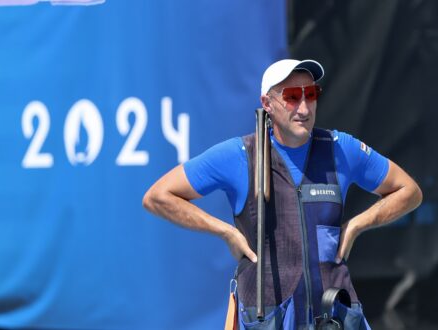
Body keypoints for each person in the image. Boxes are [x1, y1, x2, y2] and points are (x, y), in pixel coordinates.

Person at [142, 59, 423, 329]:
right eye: (291, 97)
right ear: (267, 103)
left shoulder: (340, 148)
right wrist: (226, 232)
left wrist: (357, 225)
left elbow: (409, 191)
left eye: (311, 94)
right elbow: (158, 196)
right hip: (268, 315)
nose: (304, 108)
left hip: (333, 314)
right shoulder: (241, 154)